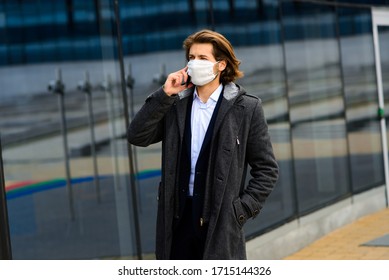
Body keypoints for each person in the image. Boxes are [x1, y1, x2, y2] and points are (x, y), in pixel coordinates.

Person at [127, 29, 278, 260]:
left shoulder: (246, 108)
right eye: (191, 58)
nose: (194, 63)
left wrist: (241, 211)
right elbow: (137, 135)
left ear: (221, 65)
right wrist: (164, 94)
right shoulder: (175, 104)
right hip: (177, 222)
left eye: (202, 58)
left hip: (219, 223)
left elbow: (267, 170)